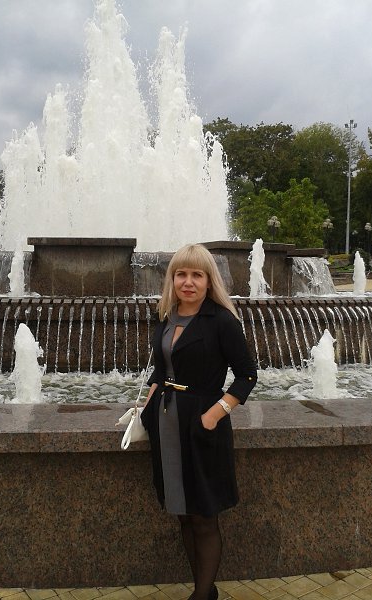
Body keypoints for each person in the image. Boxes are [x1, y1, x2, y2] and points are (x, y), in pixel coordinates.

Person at [141, 243, 257, 600]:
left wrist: (214, 414)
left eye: (196, 275)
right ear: (172, 279)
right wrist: (146, 406)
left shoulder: (221, 321)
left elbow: (246, 375)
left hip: (202, 424)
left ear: (209, 281)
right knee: (182, 512)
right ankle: (205, 591)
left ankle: (202, 595)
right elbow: (161, 370)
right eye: (181, 274)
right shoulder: (167, 316)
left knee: (204, 517)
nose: (188, 282)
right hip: (166, 423)